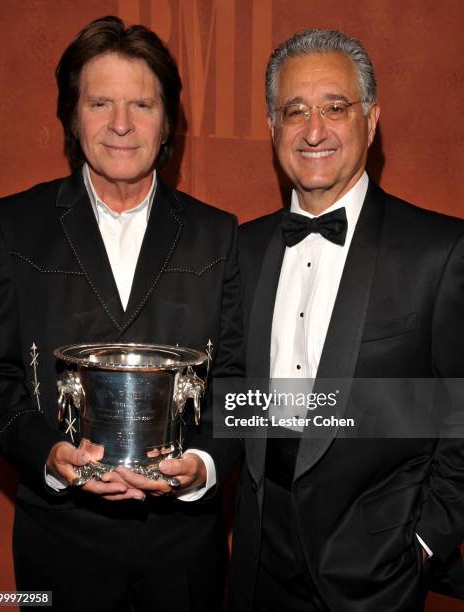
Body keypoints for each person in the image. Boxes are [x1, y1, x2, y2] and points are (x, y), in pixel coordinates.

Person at [0, 16, 243, 612]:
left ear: (167, 121)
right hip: (56, 544)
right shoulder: (9, 228)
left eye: (142, 104)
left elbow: (239, 377)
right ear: (72, 117)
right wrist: (47, 454)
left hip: (186, 552)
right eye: (100, 102)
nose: (122, 124)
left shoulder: (219, 235)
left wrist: (203, 464)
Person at [229, 29, 464, 611]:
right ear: (272, 126)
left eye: (335, 108)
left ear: (372, 120)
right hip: (259, 561)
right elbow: (228, 391)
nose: (314, 130)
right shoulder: (242, 249)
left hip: (377, 570)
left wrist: (425, 542)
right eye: (295, 111)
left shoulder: (441, 251)